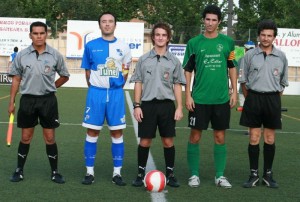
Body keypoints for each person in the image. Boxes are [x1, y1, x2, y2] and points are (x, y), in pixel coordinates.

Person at [183, 5, 237, 188]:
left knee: (220, 137)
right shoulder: (194, 43)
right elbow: (188, 70)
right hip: (199, 99)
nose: (210, 23)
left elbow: (232, 67)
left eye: (214, 20)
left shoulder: (228, 43)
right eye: (207, 19)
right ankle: (194, 175)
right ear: (203, 20)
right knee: (195, 137)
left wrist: (234, 91)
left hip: (221, 99)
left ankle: (220, 176)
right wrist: (188, 95)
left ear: (219, 22)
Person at [8, 21, 70, 184]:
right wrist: (11, 102)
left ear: (46, 34)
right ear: (30, 35)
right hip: (28, 100)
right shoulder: (22, 55)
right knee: (26, 137)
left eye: (42, 33)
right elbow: (16, 79)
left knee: (50, 138)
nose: (39, 36)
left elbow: (64, 75)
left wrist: (52, 86)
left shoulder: (55, 55)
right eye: (35, 33)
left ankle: (55, 172)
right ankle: (19, 170)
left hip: (48, 101)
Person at [130, 22, 186, 188]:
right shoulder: (143, 59)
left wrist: (179, 107)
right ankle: (140, 174)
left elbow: (177, 85)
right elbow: (138, 82)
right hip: (147, 106)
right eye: (157, 35)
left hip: (167, 106)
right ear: (153, 37)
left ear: (168, 38)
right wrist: (137, 105)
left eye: (164, 35)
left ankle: (170, 174)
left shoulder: (174, 61)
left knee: (168, 141)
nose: (160, 38)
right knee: (145, 141)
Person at [81, 12, 132, 186]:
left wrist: (119, 83)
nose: (107, 24)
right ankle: (89, 172)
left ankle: (117, 174)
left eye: (110, 22)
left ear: (115, 25)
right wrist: (95, 87)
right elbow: (87, 71)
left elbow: (126, 69)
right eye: (104, 22)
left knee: (117, 132)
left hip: (116, 94)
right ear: (100, 25)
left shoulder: (124, 47)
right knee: (92, 132)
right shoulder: (90, 45)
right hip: (96, 93)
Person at [239, 19, 289, 188]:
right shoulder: (249, 55)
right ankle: (253, 174)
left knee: (269, 137)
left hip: (272, 99)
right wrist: (251, 97)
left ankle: (268, 174)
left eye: (269, 35)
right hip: (253, 98)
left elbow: (282, 83)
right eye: (263, 35)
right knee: (253, 137)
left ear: (274, 37)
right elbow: (243, 81)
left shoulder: (281, 57)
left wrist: (272, 97)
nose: (266, 38)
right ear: (259, 35)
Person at [237, 41, 255, 135]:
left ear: (245, 49)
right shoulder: (259, 58)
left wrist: (231, 87)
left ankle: (250, 129)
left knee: (246, 110)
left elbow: (237, 74)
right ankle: (253, 129)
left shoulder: (241, 59)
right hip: (255, 90)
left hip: (243, 90)